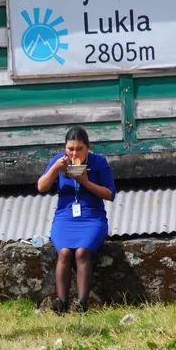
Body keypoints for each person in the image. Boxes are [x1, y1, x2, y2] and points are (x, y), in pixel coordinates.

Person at [36, 126, 116, 314]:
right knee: (63, 253)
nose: (74, 153)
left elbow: (110, 194)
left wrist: (85, 182)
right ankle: (61, 302)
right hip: (65, 216)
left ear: (87, 148)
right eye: (70, 148)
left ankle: (82, 302)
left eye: (79, 148)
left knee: (82, 253)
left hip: (92, 216)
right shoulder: (58, 161)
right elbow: (41, 186)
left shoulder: (99, 163)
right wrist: (56, 168)